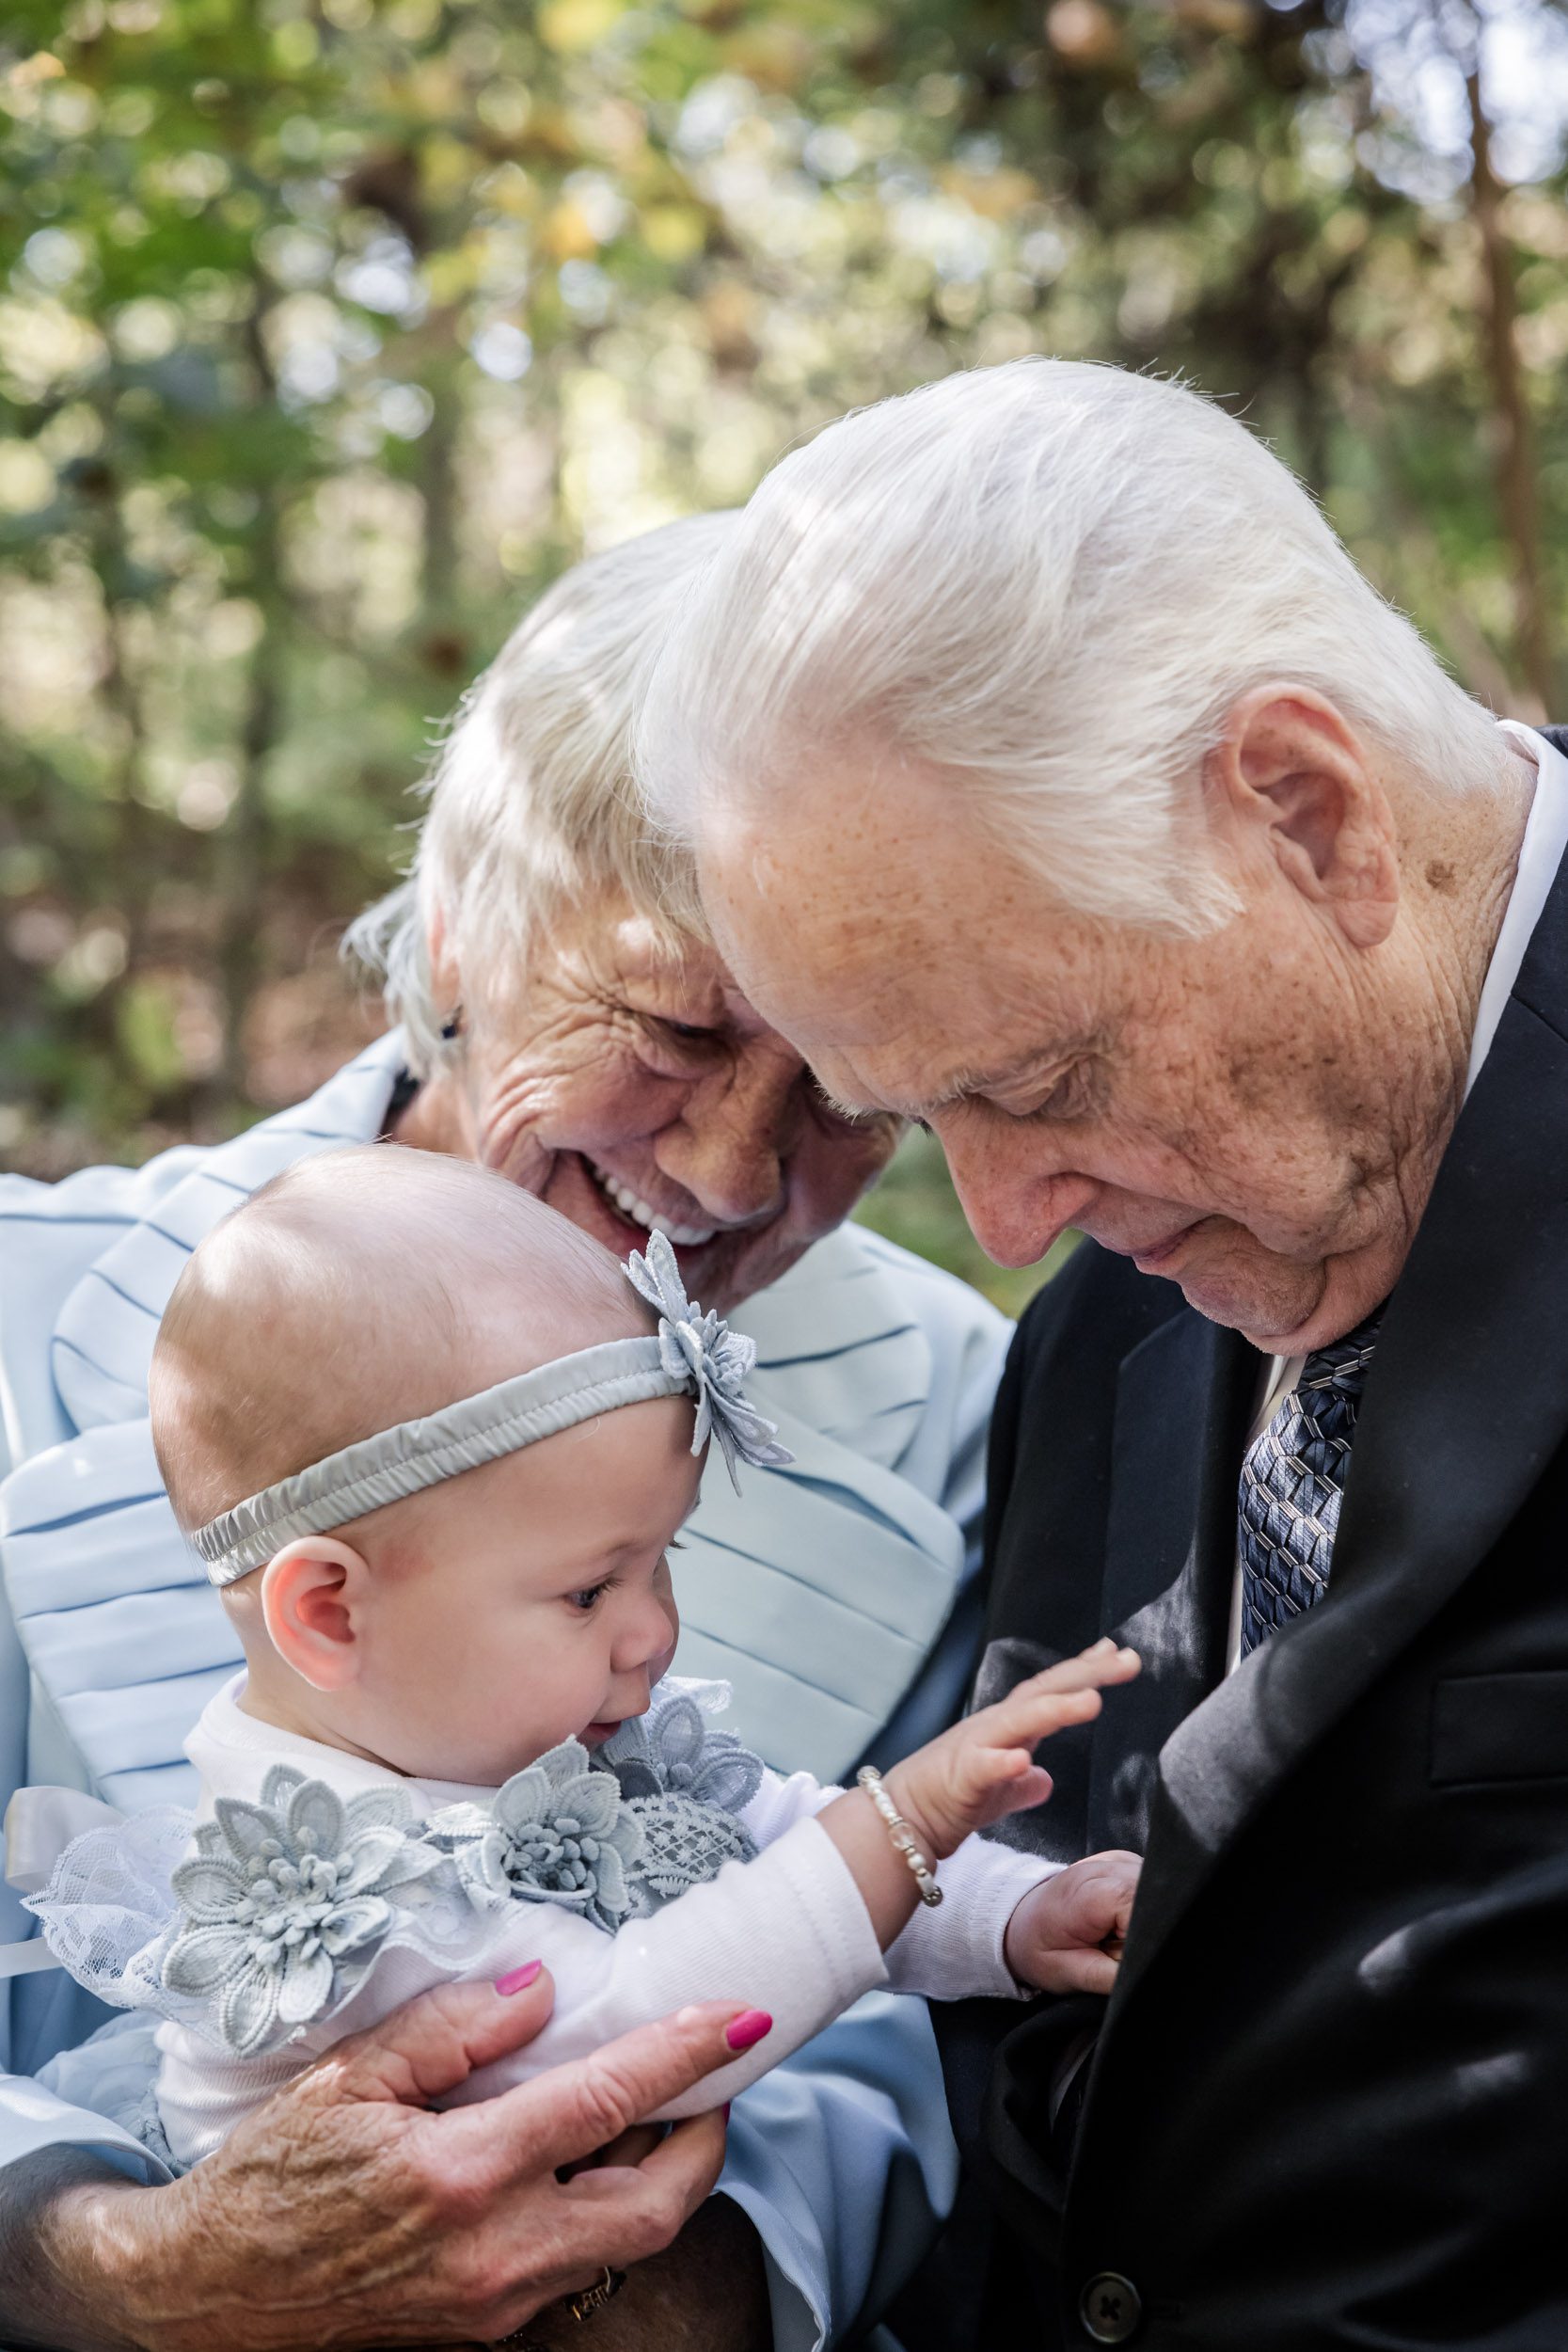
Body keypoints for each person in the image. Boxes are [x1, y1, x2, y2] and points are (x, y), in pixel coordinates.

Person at [638, 356, 1568, 2347]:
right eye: (916, 1118)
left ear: (1306, 814)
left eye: (1042, 1079)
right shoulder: (1104, 1326)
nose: (1003, 1224)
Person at [0, 516, 1010, 2350]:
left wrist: (672, 2280)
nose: (731, 1173)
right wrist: (122, 2268)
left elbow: (940, 2057)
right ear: (461, 914)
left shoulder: (961, 1406)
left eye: (851, 1085)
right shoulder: (21, 1314)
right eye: (671, 1026)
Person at [25, 1150, 1139, 2174]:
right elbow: (642, 2031)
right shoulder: (355, 1906)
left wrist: (1010, 1913)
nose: (653, 1630)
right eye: (589, 1590)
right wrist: (904, 1821)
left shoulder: (497, 1739)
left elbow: (770, 1835)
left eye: (664, 1561)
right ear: (329, 1614)